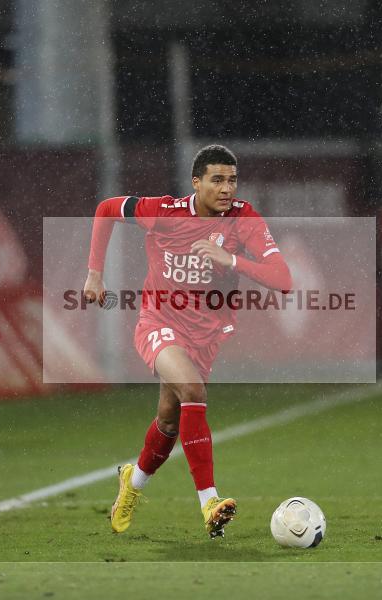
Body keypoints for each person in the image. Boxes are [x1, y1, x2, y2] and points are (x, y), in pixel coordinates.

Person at [84, 144, 292, 538]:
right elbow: (106, 208)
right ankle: (209, 501)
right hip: (157, 321)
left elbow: (283, 280)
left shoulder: (243, 218)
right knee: (192, 388)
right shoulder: (165, 212)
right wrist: (94, 273)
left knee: (169, 417)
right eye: (217, 180)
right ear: (196, 183)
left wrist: (231, 260)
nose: (226, 188)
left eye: (232, 180)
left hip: (205, 335)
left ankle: (133, 481)